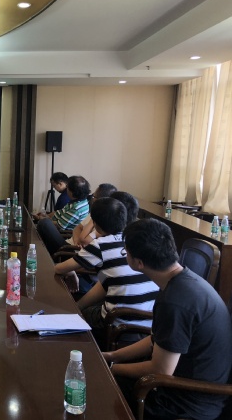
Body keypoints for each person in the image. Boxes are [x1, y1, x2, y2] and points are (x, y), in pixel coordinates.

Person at [103, 218, 232, 420]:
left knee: (100, 389)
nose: (125, 255)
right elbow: (158, 340)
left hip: (186, 402)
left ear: (138, 262)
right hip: (190, 387)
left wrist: (111, 369)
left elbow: (161, 370)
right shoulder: (184, 279)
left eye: (125, 252)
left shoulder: (174, 301)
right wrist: (112, 356)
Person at [55, 198, 159, 339]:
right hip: (150, 323)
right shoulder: (135, 240)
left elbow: (59, 269)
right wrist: (77, 306)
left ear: (95, 224)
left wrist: (71, 270)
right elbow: (107, 284)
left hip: (117, 322)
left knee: (80, 317)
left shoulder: (100, 245)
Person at [35, 175, 91, 255]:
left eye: (67, 188)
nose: (66, 189)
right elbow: (59, 212)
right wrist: (46, 216)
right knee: (43, 223)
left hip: (66, 242)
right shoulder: (79, 201)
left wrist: (42, 219)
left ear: (72, 192)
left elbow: (59, 226)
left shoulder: (77, 208)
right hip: (64, 234)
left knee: (43, 224)